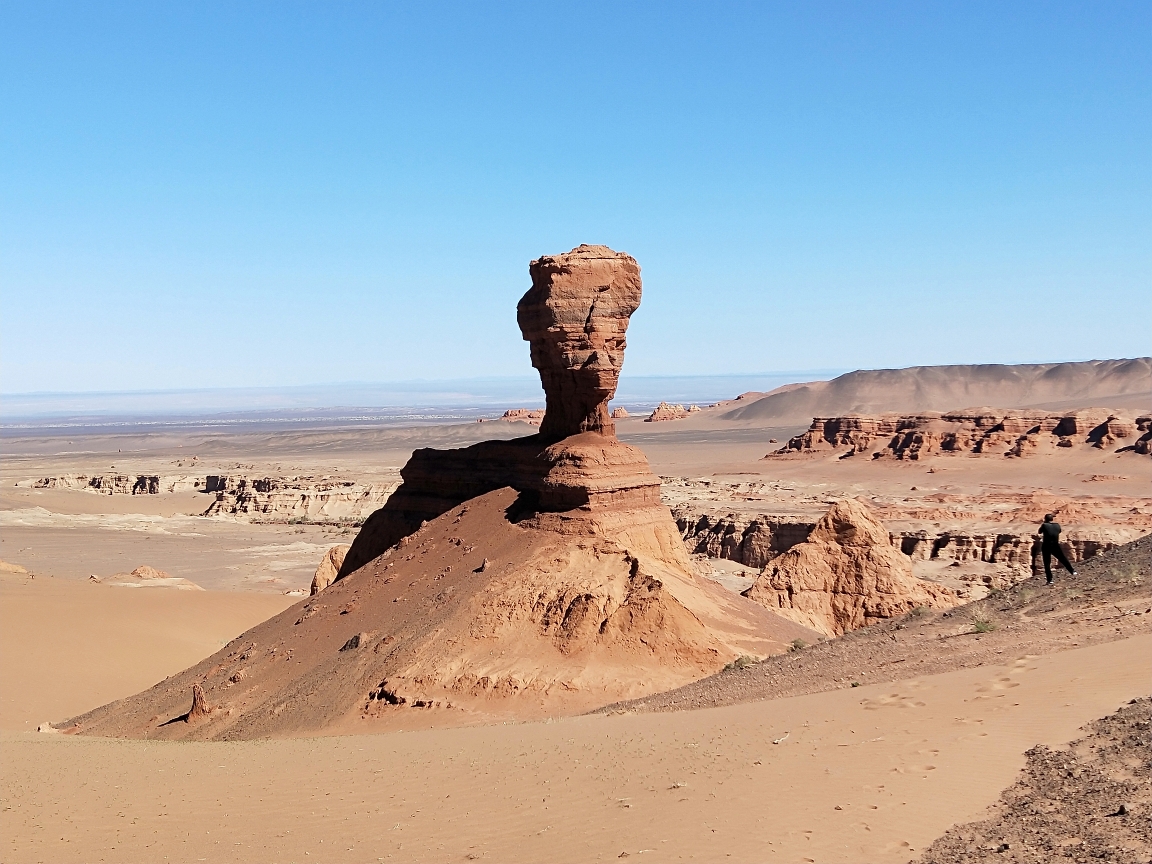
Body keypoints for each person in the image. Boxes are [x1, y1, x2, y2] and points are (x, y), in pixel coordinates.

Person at [1037, 513, 1076, 584]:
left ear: (1045, 519)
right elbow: (1059, 531)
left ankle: (1050, 580)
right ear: (1052, 519)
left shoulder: (1044, 525)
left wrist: (1044, 523)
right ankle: (1072, 571)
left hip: (1046, 546)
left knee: (1047, 563)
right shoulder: (1057, 525)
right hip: (1055, 545)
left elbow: (1039, 532)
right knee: (1063, 559)